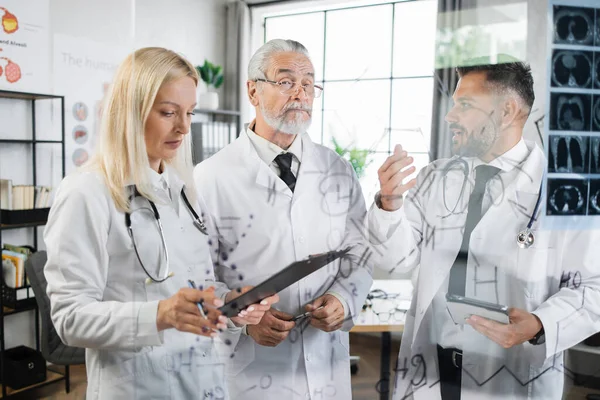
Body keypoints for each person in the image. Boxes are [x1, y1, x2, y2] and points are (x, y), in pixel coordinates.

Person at [44, 47, 277, 400]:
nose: (184, 127)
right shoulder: (87, 192)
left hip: (203, 381)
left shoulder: (181, 188)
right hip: (137, 386)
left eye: (189, 113)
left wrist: (229, 303)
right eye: (169, 112)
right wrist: (159, 315)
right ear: (130, 112)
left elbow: (193, 287)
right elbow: (69, 318)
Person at [368, 58, 600, 400]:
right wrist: (389, 204)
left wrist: (538, 323)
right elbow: (396, 260)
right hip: (432, 366)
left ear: (505, 111)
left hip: (511, 373)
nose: (450, 116)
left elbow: (593, 288)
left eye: (465, 104)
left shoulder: (569, 191)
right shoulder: (435, 176)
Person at [193, 39, 374, 399]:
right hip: (251, 369)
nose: (300, 94)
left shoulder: (336, 170)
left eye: (309, 84)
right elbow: (194, 276)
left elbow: (360, 251)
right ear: (253, 90)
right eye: (286, 81)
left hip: (324, 361)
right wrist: (239, 318)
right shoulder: (209, 177)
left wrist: (342, 298)